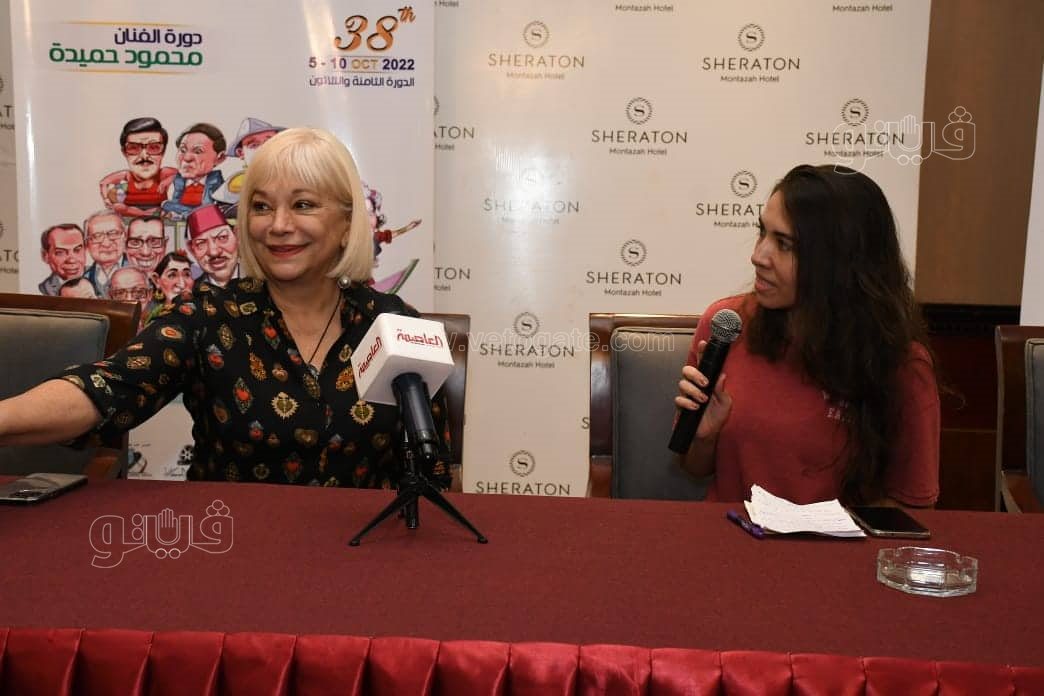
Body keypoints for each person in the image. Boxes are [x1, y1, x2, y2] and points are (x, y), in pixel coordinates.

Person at [0, 127, 449, 489]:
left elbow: (435, 474)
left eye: (303, 205)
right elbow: (104, 390)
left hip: (362, 556)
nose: (278, 225)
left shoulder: (395, 324)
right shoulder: (208, 317)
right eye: (261, 206)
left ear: (348, 223)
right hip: (228, 549)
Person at [674, 164, 939, 508]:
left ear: (840, 261)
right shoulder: (727, 325)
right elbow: (693, 466)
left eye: (784, 244)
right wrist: (704, 439)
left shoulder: (900, 365)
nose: (758, 256)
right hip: (730, 536)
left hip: (836, 543)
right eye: (762, 232)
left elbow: (911, 507)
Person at [98, 117, 177, 218]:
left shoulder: (164, 174)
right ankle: (145, 215)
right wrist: (106, 198)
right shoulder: (126, 176)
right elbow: (104, 183)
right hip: (131, 217)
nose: (144, 156)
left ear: (163, 151)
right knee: (118, 207)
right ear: (124, 152)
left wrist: (170, 180)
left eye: (153, 147)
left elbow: (186, 176)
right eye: (134, 148)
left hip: (161, 218)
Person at [161, 122, 227, 221]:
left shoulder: (218, 185)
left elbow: (208, 214)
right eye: (182, 150)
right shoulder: (177, 181)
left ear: (219, 158)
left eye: (198, 151)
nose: (187, 158)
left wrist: (169, 206)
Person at [185, 204, 239, 287]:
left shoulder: (258, 280)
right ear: (192, 250)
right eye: (201, 244)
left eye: (222, 237)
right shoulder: (191, 290)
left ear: (237, 237)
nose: (214, 252)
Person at [82, 211, 129, 297]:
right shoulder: (83, 278)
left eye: (114, 233)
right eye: (97, 236)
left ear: (125, 237)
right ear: (87, 244)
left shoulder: (141, 272)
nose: (106, 244)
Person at [38, 224, 87, 296]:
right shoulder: (45, 289)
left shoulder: (97, 277)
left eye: (77, 250)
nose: (71, 260)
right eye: (60, 252)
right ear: (45, 256)